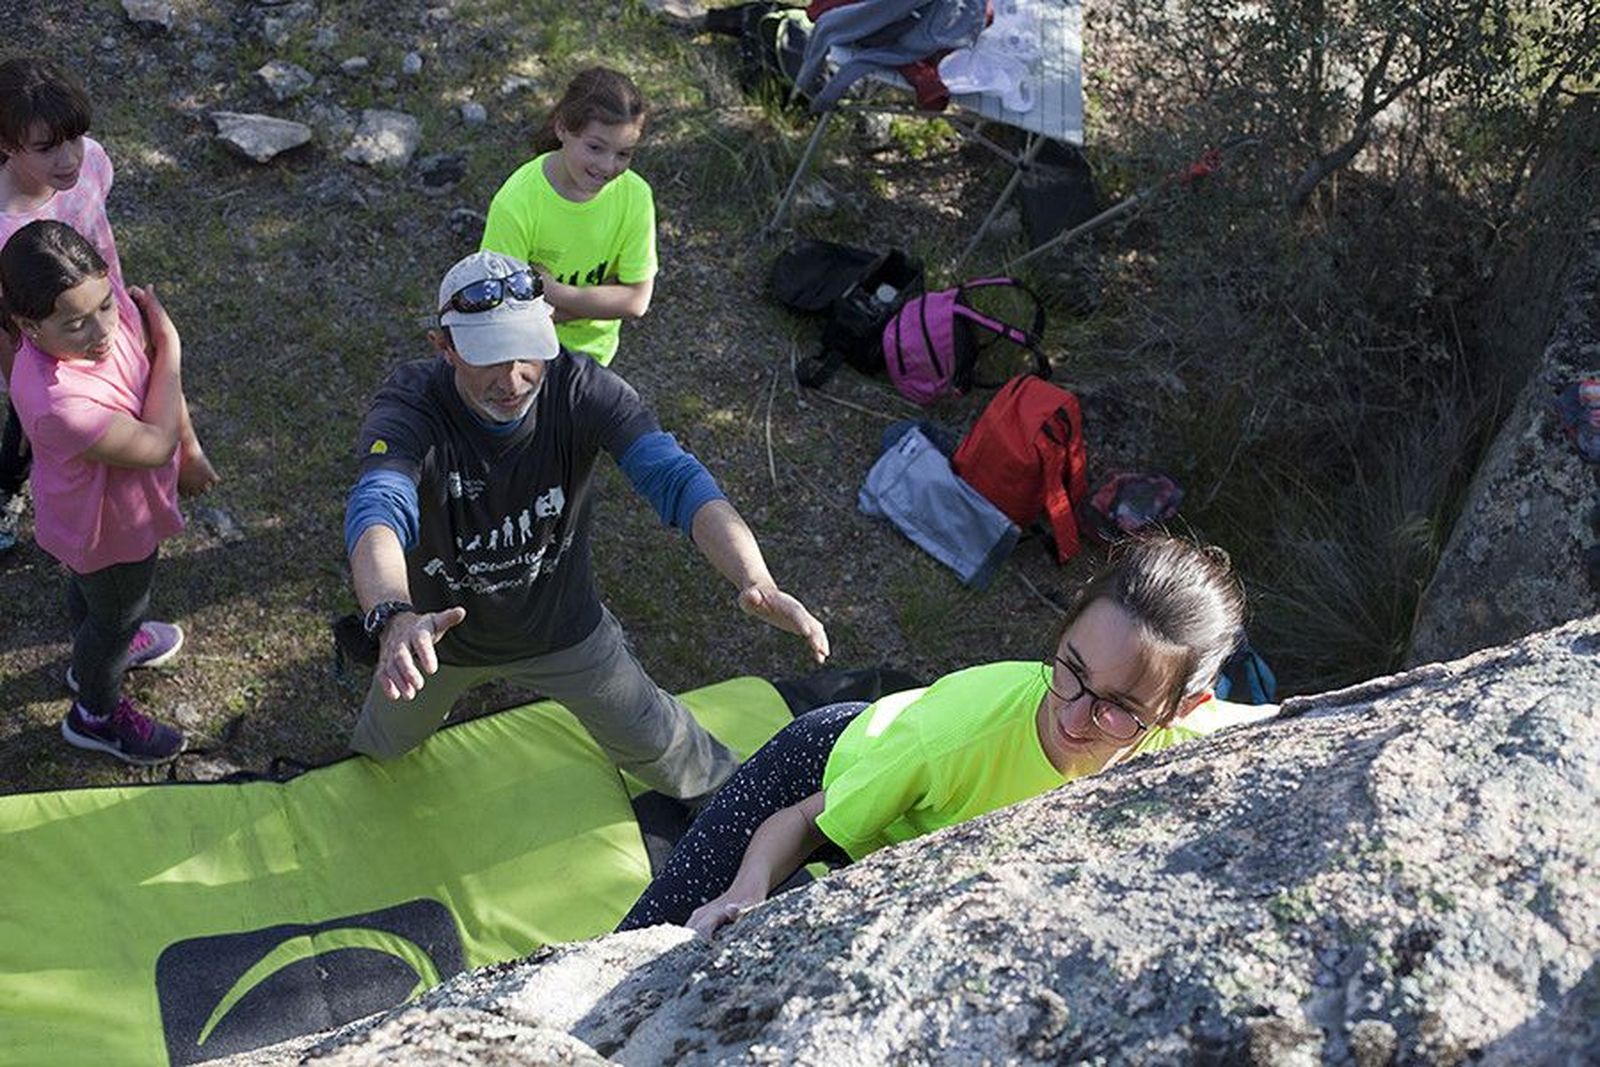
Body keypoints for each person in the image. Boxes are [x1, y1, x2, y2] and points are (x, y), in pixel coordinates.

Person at [344, 249, 828, 800]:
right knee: (379, 753)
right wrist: (393, 616)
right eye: (489, 355)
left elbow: (675, 478)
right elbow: (380, 505)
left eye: (529, 351)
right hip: (437, 640)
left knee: (682, 758)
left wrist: (754, 578)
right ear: (444, 348)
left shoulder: (584, 390)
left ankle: (759, 812)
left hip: (564, 630)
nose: (514, 378)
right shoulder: (410, 406)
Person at [617, 534, 1256, 937]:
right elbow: (806, 820)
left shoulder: (1198, 738)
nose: (1072, 717)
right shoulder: (958, 737)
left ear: (1182, 707)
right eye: (1071, 669)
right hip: (823, 773)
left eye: (1117, 708)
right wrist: (747, 890)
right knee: (649, 935)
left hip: (920, 830)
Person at [1, 220, 218, 764]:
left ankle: (91, 654)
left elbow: (143, 377)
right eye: (75, 325)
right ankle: (94, 714)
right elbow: (152, 443)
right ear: (29, 326)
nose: (101, 331)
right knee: (118, 611)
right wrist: (172, 346)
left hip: (88, 520)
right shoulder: (57, 404)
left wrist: (189, 448)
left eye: (105, 306)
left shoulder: (102, 300)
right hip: (109, 530)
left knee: (99, 603)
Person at [0, 55, 140, 558]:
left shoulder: (92, 162)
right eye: (47, 147)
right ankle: (10, 491)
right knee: (29, 436)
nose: (69, 159)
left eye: (75, 137)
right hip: (42, 364)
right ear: (5, 145)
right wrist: (25, 395)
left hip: (106, 320)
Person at [480, 66, 656, 367]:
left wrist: (552, 291)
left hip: (594, 357)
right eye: (595, 147)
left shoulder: (635, 196)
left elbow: (636, 302)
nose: (607, 166)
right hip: (523, 354)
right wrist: (603, 297)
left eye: (623, 154)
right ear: (562, 128)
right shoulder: (517, 202)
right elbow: (502, 309)